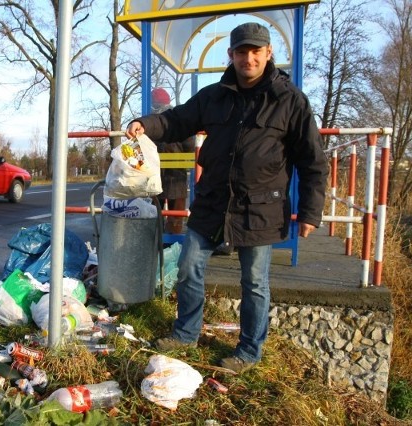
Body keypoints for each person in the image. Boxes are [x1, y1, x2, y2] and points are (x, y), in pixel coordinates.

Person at [126, 22, 328, 373]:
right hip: (212, 203)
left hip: (260, 209)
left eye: (255, 51)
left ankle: (249, 352)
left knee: (254, 282)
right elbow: (176, 120)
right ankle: (186, 333)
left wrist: (310, 212)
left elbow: (312, 161)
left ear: (268, 54)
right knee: (188, 267)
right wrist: (147, 124)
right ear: (231, 55)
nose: (248, 58)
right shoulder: (214, 95)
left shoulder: (290, 100)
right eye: (241, 51)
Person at [150, 87, 195, 234]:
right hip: (177, 176)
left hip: (155, 177)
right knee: (176, 216)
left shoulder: (150, 122)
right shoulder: (178, 119)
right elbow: (190, 145)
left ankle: (155, 242)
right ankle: (172, 244)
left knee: (154, 214)